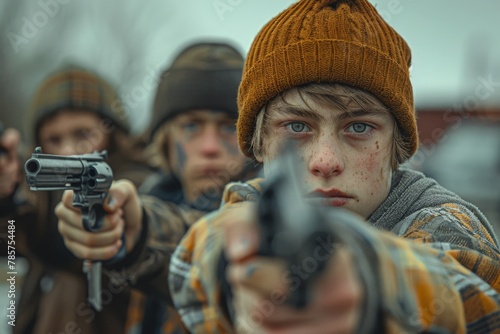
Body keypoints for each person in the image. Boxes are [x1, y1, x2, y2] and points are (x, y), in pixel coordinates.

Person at [55, 1, 500, 333]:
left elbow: (467, 296)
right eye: (297, 127)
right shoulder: (243, 207)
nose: (325, 161)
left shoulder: (443, 221)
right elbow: (204, 244)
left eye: (359, 127)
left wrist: (366, 283)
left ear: (397, 146)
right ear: (259, 146)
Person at [1, 65, 152, 334]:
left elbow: (68, 253)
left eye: (83, 134)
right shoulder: (39, 194)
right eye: (54, 139)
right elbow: (11, 247)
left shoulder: (142, 185)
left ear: (112, 133)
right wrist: (5, 201)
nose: (69, 151)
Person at [123, 41, 256, 333]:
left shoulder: (269, 216)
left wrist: (142, 231)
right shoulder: (146, 197)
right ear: (165, 141)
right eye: (191, 126)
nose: (210, 147)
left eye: (229, 126)